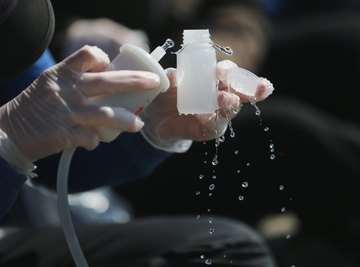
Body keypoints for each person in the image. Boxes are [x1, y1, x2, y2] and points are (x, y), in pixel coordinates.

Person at [0, 0, 276, 266]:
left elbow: (59, 164)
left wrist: (152, 130)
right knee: (233, 247)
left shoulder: (15, 20)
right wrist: (7, 142)